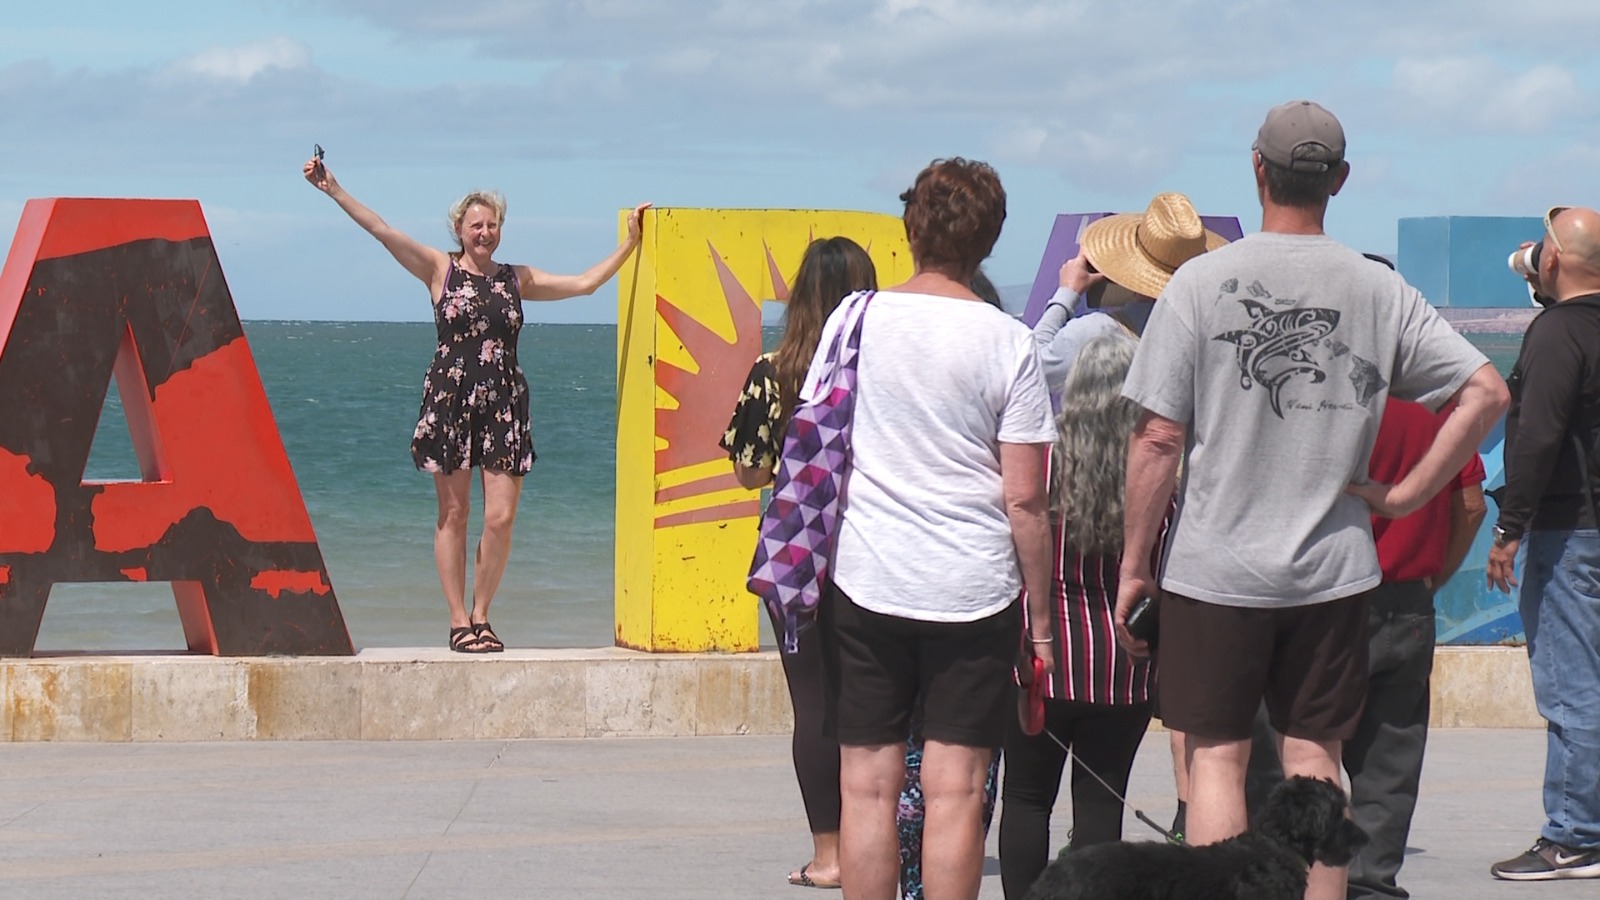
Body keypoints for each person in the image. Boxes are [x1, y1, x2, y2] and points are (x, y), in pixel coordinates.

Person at [1113, 100, 1508, 900]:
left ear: (1256, 169)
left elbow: (1156, 439)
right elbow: (1486, 392)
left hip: (1215, 570)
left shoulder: (1199, 281)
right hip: (1333, 572)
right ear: (1340, 180)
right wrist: (1402, 496)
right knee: (1316, 760)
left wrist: (1131, 564)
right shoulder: (1375, 288)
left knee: (1217, 756)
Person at [814, 157, 1056, 900]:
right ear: (989, 240)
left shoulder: (852, 319)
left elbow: (821, 444)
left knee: (866, 788)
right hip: (973, 587)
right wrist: (1040, 624)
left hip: (867, 578)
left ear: (911, 227)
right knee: (957, 790)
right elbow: (1026, 501)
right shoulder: (1007, 341)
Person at [303, 156, 649, 653]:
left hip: (504, 403)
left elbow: (584, 284)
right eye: (475, 225)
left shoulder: (516, 278)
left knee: (501, 517)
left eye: (492, 225)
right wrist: (333, 188)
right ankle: (458, 619)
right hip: (451, 400)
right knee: (455, 512)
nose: (484, 233)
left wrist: (631, 242)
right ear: (459, 230)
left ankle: (483, 614)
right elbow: (381, 230)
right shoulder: (438, 268)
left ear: (500, 230)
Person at [1001, 193, 1222, 899]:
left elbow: (1024, 365)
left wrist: (1066, 298)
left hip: (1046, 656)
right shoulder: (1161, 487)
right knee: (1103, 804)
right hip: (1125, 666)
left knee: (1027, 800)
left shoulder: (1044, 486)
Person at [720, 236, 878, 889]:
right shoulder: (884, 366)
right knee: (875, 706)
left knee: (813, 704)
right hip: (875, 549)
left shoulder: (774, 369)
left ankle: (830, 854)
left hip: (796, 556)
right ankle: (879, 844)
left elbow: (748, 471)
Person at [1487, 205, 1600, 882]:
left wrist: (1509, 529)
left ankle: (1575, 834)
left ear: (1553, 261)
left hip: (1569, 532)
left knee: (1570, 684)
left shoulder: (1557, 332)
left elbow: (1537, 435)